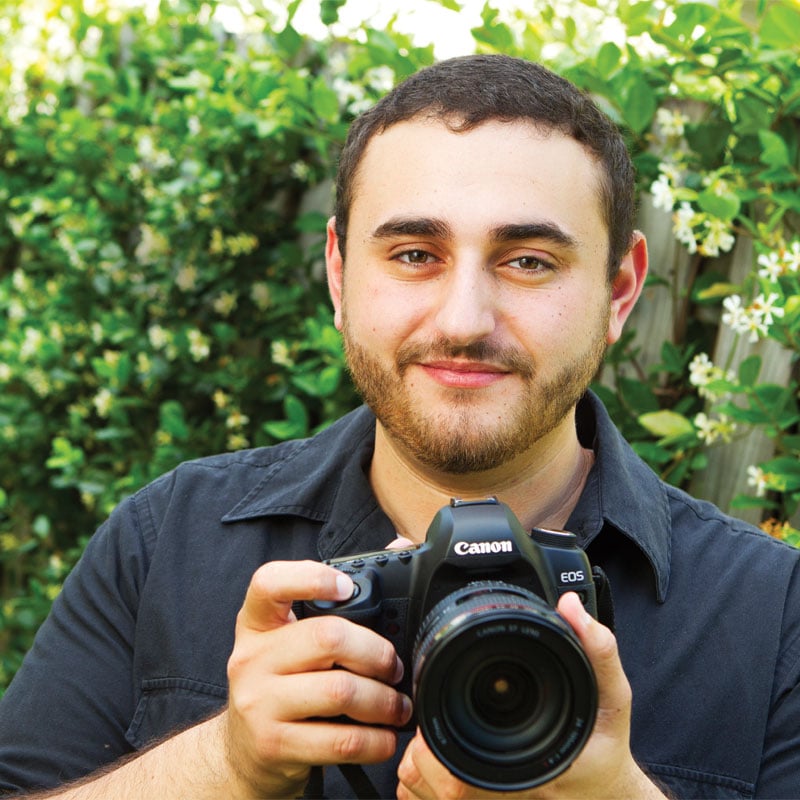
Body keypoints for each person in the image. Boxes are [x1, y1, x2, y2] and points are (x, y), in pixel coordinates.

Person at [0, 53, 798, 800]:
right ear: (339, 274)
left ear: (619, 292)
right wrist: (228, 762)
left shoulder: (773, 614)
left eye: (528, 261)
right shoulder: (168, 542)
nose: (464, 320)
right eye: (415, 254)